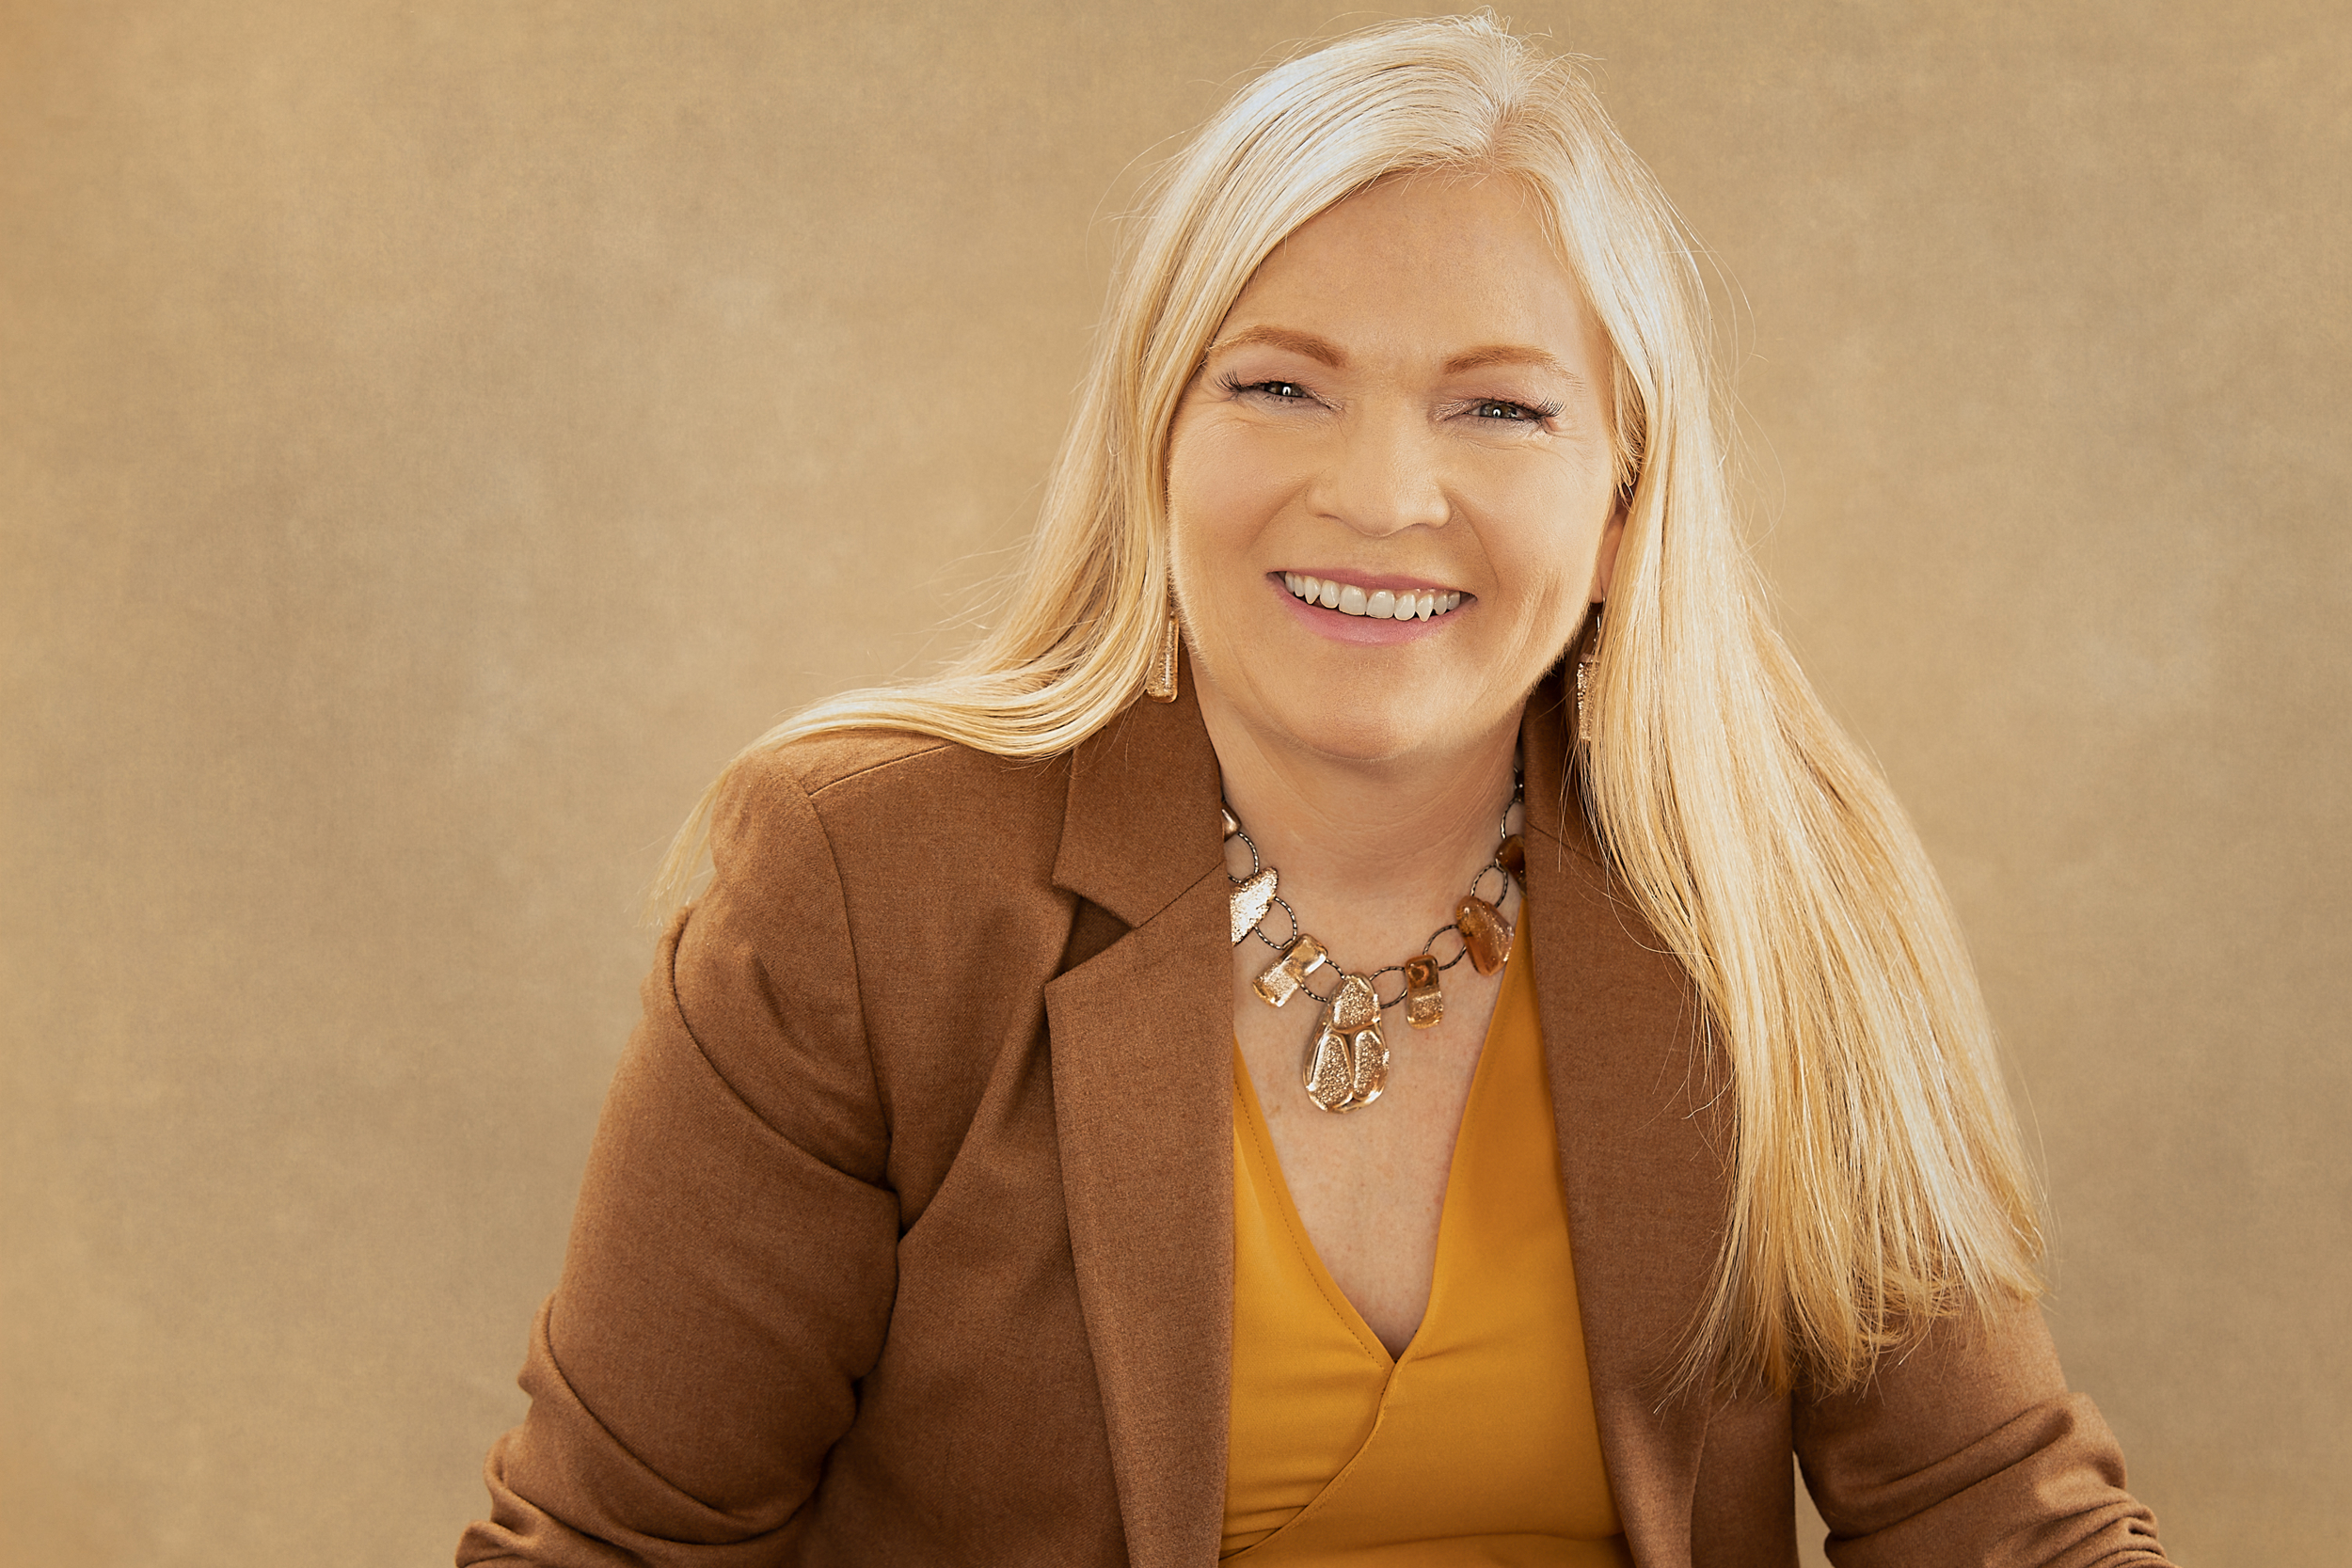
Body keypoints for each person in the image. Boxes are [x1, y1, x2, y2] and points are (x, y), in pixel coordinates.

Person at [458, 16, 2174, 1566]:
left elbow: (1999, 1523)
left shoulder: (1774, 893)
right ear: (1159, 439)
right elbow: (599, 1549)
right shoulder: (855, 879)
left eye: (1497, 409)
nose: (1379, 493)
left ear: (1623, 509)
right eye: (1280, 384)